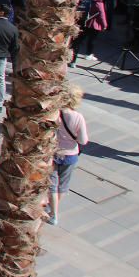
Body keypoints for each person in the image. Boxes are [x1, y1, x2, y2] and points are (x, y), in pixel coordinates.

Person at [47, 84, 89, 226]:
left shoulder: (56, 113)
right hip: (70, 154)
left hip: (53, 152)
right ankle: (54, 209)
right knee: (63, 185)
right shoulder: (78, 117)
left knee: (52, 184)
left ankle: (53, 213)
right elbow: (83, 140)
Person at [71, 0, 107, 65]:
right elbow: (102, 15)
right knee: (92, 40)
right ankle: (88, 54)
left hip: (83, 23)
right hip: (94, 25)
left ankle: (73, 61)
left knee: (78, 42)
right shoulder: (99, 1)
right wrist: (104, 25)